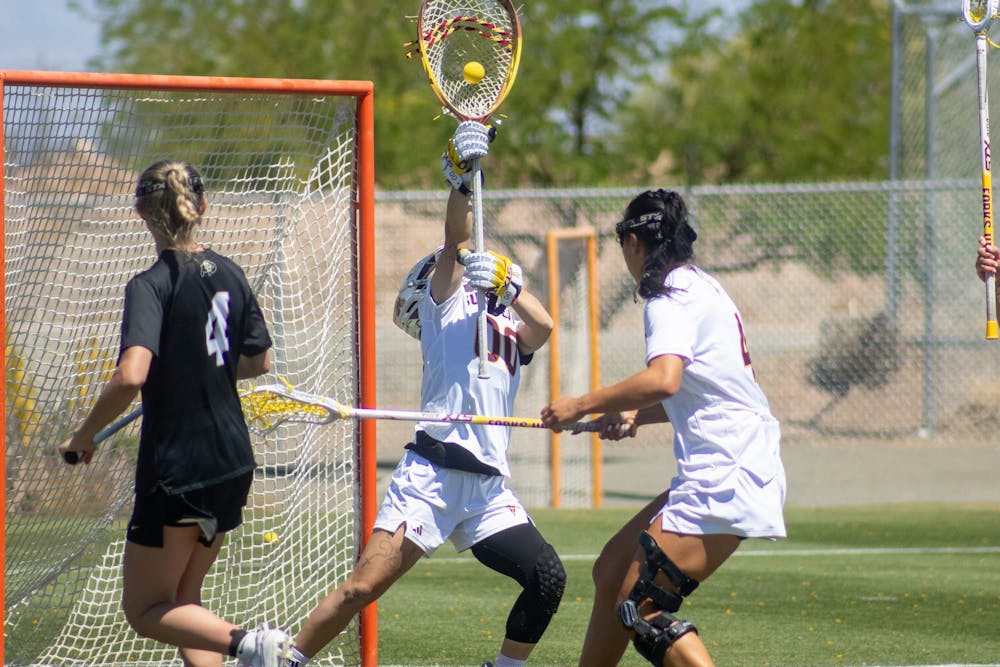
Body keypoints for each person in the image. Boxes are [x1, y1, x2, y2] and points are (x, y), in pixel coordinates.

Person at [283, 122, 566, 667]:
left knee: (547, 577)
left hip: (485, 488)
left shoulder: (511, 323)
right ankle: (290, 658)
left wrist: (511, 288)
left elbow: (544, 326)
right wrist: (460, 180)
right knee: (363, 588)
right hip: (432, 476)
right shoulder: (445, 308)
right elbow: (456, 242)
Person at [59, 160, 293, 667]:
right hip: (231, 460)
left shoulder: (150, 284)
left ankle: (251, 645)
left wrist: (84, 435)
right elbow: (258, 361)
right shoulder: (230, 272)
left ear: (141, 212)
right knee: (185, 601)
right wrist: (201, 373)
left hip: (179, 468)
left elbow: (131, 375)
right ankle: (245, 645)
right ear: (202, 205)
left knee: (145, 611)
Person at [540, 188, 786, 667]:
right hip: (733, 461)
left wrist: (580, 404)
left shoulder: (668, 296)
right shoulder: (701, 285)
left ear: (634, 242)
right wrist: (635, 413)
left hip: (725, 472)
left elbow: (664, 379)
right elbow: (702, 389)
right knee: (613, 572)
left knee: (640, 606)